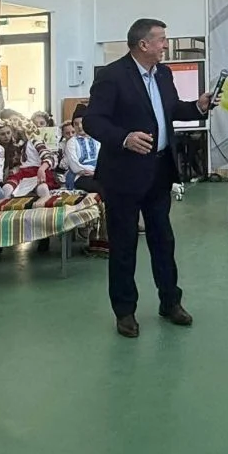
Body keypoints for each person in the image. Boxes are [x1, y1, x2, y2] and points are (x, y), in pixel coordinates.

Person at [82, 18, 212, 339]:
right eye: (162, 40)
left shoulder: (163, 74)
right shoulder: (112, 76)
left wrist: (198, 107)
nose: (165, 45)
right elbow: (92, 121)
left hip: (159, 171)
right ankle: (125, 311)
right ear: (143, 44)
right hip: (123, 175)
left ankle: (170, 302)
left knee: (163, 241)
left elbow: (171, 110)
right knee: (124, 245)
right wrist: (124, 138)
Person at [65, 104, 102, 192]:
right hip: (80, 175)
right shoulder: (71, 142)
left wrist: (96, 173)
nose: (80, 126)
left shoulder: (97, 139)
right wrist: (92, 172)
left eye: (82, 123)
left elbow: (103, 159)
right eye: (76, 124)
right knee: (99, 186)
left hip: (98, 173)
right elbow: (74, 165)